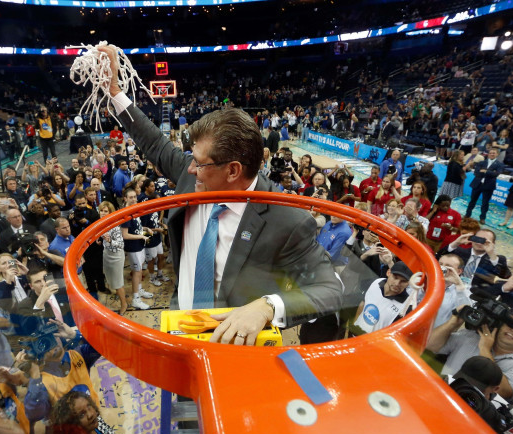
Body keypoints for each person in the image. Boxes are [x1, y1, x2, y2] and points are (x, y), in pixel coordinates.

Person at [99, 44, 342, 345]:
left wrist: (268, 306)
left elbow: (330, 290)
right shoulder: (197, 178)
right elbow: (154, 142)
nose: (188, 170)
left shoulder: (287, 218)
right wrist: (114, 92)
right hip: (182, 324)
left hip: (237, 348)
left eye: (199, 164)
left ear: (232, 171)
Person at [426, 310, 513, 402]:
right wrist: (453, 323)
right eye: (512, 324)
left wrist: (485, 349)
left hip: (470, 416)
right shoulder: (472, 337)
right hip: (435, 394)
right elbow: (430, 345)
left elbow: (502, 391)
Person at [351, 261, 413, 335]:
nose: (397, 283)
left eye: (403, 281)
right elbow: (363, 303)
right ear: (388, 273)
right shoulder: (375, 282)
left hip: (371, 345)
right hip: (353, 336)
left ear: (409, 283)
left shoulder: (407, 307)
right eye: (395, 277)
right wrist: (354, 324)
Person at [442, 229, 510, 288]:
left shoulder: (496, 260)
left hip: (475, 295)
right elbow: (438, 258)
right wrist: (456, 243)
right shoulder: (459, 252)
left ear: (493, 243)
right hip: (452, 288)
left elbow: (506, 277)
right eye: (477, 239)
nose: (479, 243)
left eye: (484, 241)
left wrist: (492, 255)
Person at [121, 189, 153, 310]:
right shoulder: (126, 214)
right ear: (125, 198)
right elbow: (125, 235)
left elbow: (136, 227)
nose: (134, 199)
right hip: (133, 247)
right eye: (131, 197)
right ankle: (136, 299)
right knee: (137, 271)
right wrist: (141, 236)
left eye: (135, 197)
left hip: (139, 244)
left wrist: (145, 228)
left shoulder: (134, 210)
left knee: (140, 269)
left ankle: (139, 290)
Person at [98, 201, 129, 314]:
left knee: (118, 283)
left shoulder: (115, 226)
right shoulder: (101, 223)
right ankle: (119, 295)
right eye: (101, 210)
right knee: (111, 279)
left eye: (106, 211)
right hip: (106, 254)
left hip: (116, 256)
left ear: (110, 212)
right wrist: (100, 240)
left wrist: (110, 240)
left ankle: (124, 304)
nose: (103, 213)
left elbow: (121, 244)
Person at [464, 148, 505, 225]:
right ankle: (467, 215)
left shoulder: (500, 164)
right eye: (490, 153)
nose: (492, 154)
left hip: (488, 186)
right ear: (488, 154)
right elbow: (476, 172)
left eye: (494, 153)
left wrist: (485, 171)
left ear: (497, 154)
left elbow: (496, 174)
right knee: (472, 200)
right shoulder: (482, 162)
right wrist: (490, 172)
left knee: (485, 203)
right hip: (477, 184)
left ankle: (482, 218)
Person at [433, 254, 472, 328]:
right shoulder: (425, 281)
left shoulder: (463, 292)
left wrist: (459, 286)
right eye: (440, 264)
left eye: (448, 267)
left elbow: (464, 313)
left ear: (459, 271)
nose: (442, 268)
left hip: (435, 334)